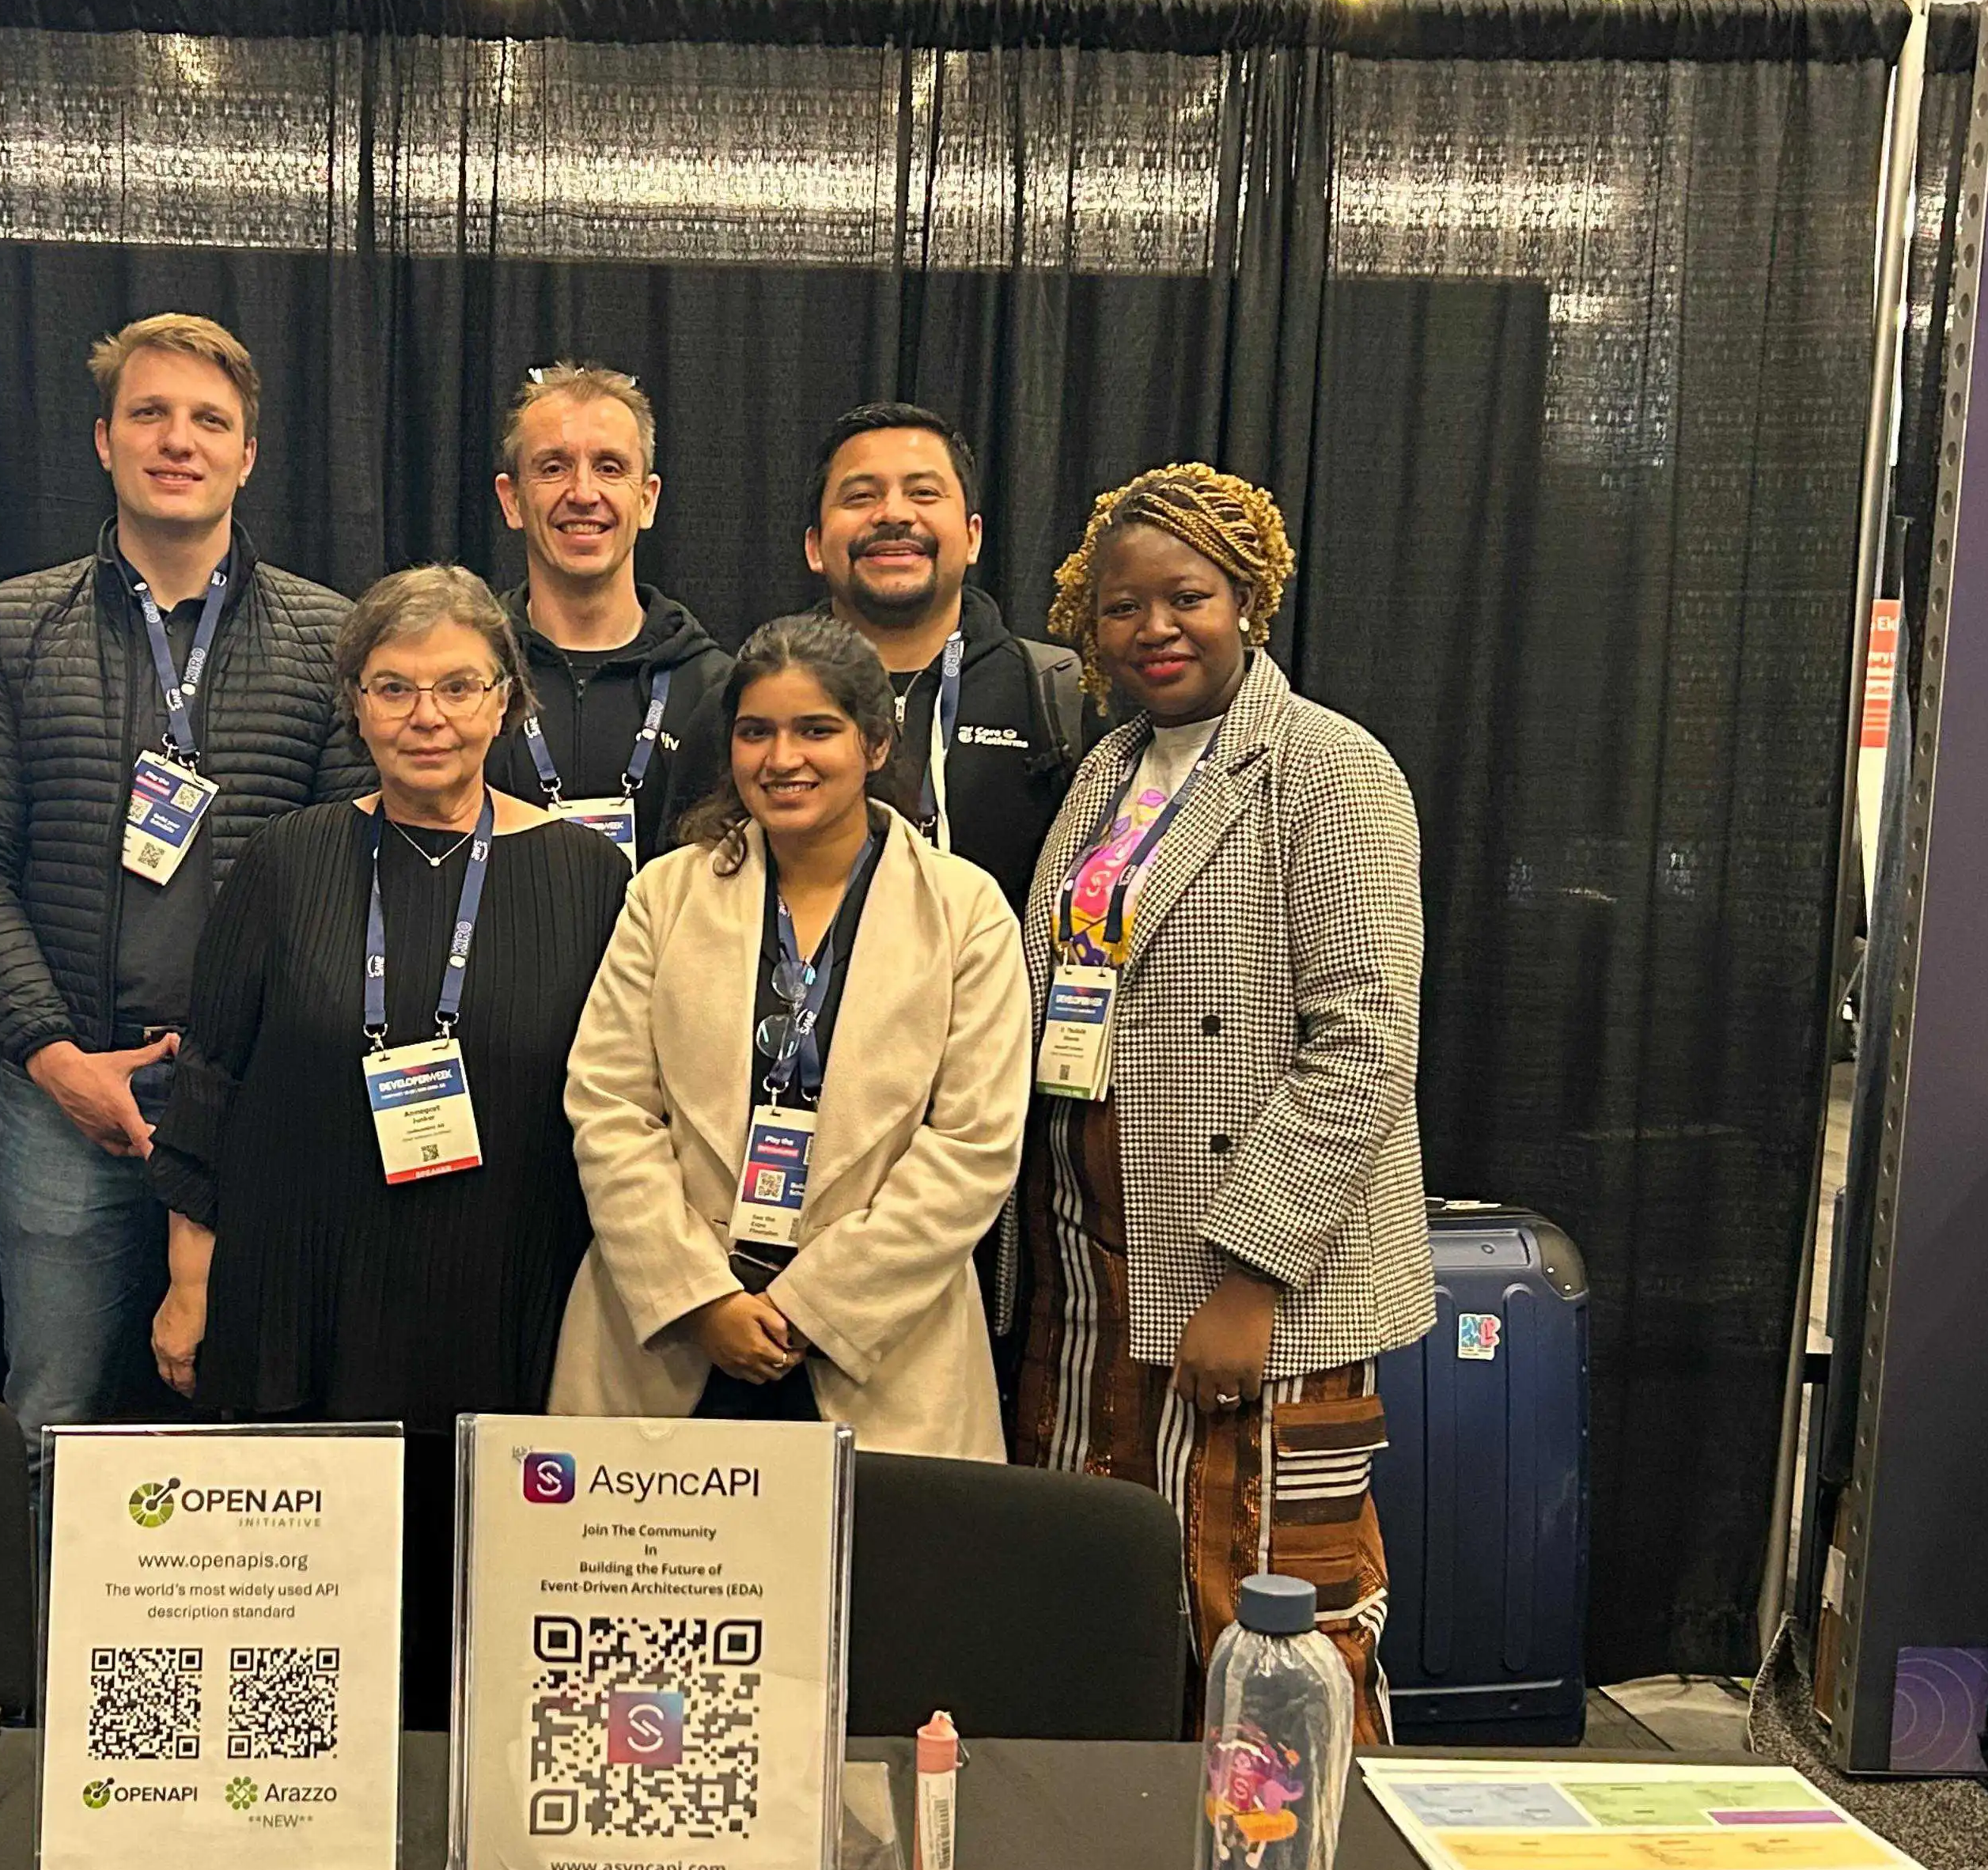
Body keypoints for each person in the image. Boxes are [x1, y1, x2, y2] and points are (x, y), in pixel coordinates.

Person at [149, 567, 630, 1719]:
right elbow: (209, 1078)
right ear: (354, 704)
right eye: (396, 688)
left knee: (478, 1624)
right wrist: (186, 1278)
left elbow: (623, 1102)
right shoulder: (283, 861)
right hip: (303, 1293)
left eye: (460, 687)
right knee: (306, 1629)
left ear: (509, 704)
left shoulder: (590, 878)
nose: (429, 716)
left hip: (505, 1289)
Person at [1002, 463, 1430, 1744]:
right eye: (1123, 605)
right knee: (1107, 1601)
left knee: (1273, 1616)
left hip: (1252, 1279)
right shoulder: (1102, 774)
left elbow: (1362, 1044)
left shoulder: (1329, 766)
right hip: (1089, 1277)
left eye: (1185, 594)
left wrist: (1248, 1282)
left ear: (1248, 596)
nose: (1154, 627)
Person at [0, 312, 364, 1474]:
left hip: (260, 1106)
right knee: (51, 1422)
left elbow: (347, 877)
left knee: (255, 1419)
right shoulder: (13, 628)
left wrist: (236, 1072)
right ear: (104, 441)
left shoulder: (333, 640)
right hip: (66, 1093)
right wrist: (51, 1055)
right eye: (151, 414)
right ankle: (50, 1663)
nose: (179, 440)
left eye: (208, 420)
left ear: (248, 454)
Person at [550, 610, 1028, 1455]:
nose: (783, 759)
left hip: (877, 1351)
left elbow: (974, 1145)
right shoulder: (665, 895)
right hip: (675, 1342)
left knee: (875, 1587)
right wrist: (700, 1299)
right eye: (756, 732)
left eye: (817, 730)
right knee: (655, 1583)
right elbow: (609, 1105)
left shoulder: (965, 911)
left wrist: (816, 1306)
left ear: (876, 744)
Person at [804, 400, 1090, 914]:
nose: (893, 513)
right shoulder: (755, 698)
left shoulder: (1059, 694)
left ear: (973, 536)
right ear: (816, 546)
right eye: (861, 495)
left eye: (924, 493)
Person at [483, 361, 730, 865]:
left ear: (647, 499)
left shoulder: (716, 689)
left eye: (610, 468)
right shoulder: (466, 679)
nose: (583, 493)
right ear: (511, 501)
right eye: (553, 467)